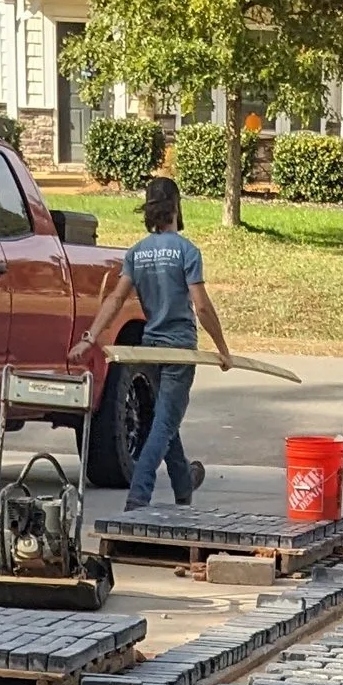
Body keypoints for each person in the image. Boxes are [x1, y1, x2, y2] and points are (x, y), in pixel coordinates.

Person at [81, 173, 235, 510]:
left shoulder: (137, 253)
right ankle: (138, 497)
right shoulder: (186, 251)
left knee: (165, 421)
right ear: (176, 208)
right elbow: (203, 306)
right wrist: (223, 350)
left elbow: (115, 300)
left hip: (150, 349)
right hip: (179, 351)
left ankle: (184, 484)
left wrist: (91, 337)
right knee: (164, 424)